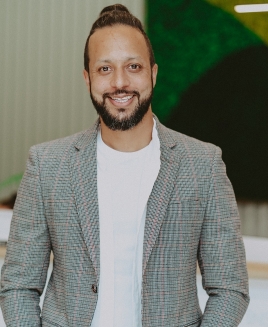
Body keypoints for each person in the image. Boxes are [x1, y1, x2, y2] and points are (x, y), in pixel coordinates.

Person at [0, 4, 249, 327]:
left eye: (133, 66)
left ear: (153, 73)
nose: (120, 83)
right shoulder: (48, 165)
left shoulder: (203, 164)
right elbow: (18, 285)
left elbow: (230, 288)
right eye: (105, 69)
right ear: (87, 78)